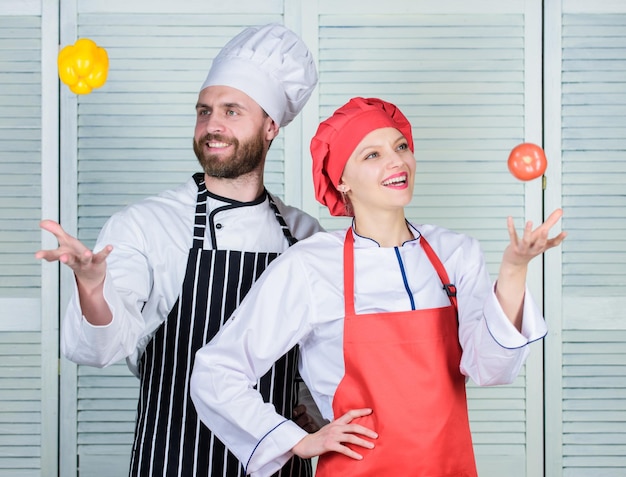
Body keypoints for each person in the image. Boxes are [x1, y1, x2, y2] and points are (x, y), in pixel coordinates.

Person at [189, 97, 567, 477]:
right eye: (372, 154)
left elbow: (490, 369)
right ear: (341, 180)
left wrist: (515, 270)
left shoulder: (455, 253)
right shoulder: (311, 265)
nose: (396, 161)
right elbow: (217, 371)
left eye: (401, 146)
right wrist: (295, 440)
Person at [35, 23, 323, 477]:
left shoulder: (305, 235)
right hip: (172, 457)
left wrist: (313, 416)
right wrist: (92, 288)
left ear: (271, 126)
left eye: (232, 111)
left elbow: (317, 359)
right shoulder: (147, 224)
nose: (212, 125)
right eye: (204, 111)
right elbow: (99, 348)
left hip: (278, 464)